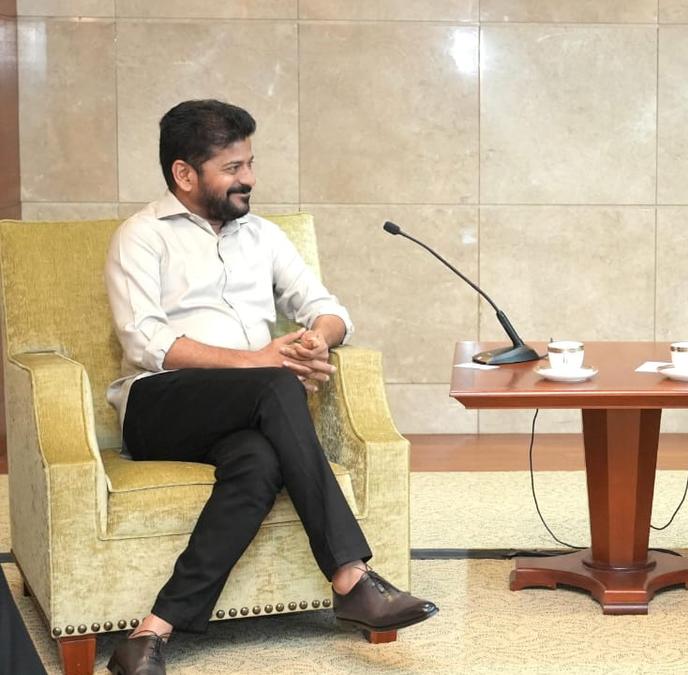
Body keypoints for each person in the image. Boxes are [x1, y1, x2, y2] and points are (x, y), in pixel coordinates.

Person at [103, 99, 437, 675]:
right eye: (232, 167)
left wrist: (317, 341)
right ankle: (351, 577)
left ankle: (149, 635)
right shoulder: (141, 236)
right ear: (185, 173)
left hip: (243, 412)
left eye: (250, 163)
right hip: (158, 405)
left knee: (258, 462)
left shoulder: (263, 236)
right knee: (277, 386)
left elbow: (328, 309)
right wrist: (259, 362)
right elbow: (145, 342)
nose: (249, 178)